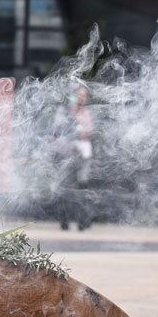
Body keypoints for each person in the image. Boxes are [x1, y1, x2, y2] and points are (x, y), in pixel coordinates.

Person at [53, 85, 94, 230]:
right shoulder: (65, 111)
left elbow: (92, 132)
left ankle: (83, 221)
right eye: (80, 95)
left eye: (85, 95)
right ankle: (64, 220)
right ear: (74, 96)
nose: (83, 98)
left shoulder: (87, 112)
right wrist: (72, 111)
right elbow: (58, 129)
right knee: (65, 188)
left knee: (83, 188)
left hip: (84, 155)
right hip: (67, 154)